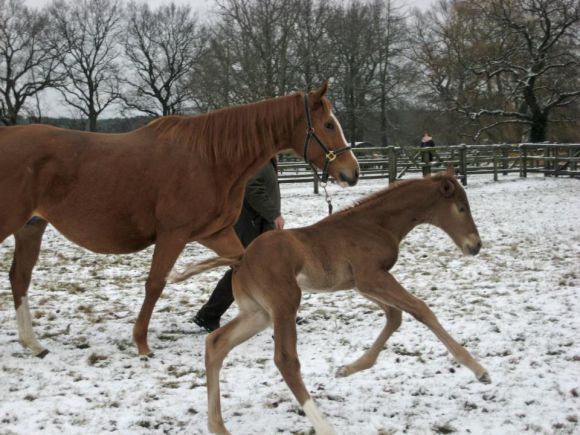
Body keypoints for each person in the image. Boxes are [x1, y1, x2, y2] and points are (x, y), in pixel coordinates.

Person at [193, 158, 284, 332]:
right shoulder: (258, 159)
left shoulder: (266, 158)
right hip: (252, 224)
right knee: (243, 269)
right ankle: (209, 314)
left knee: (265, 269)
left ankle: (281, 312)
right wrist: (274, 214)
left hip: (261, 223)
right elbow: (252, 188)